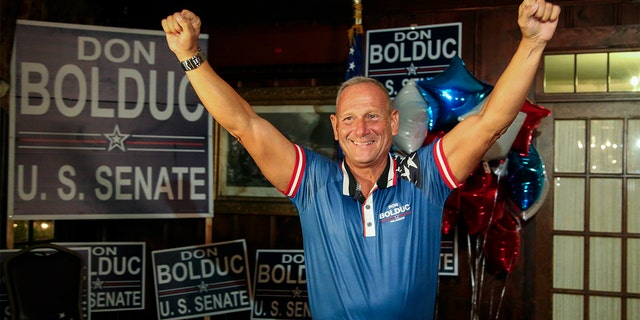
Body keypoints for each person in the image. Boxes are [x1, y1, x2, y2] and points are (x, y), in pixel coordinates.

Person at [161, 0, 560, 318]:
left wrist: (533, 43)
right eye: (350, 118)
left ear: (392, 121)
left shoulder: (423, 174)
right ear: (336, 128)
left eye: (373, 116)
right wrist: (190, 55)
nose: (361, 128)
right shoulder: (313, 182)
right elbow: (243, 124)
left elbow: (490, 122)